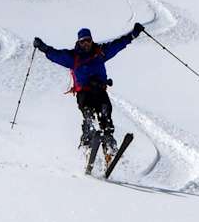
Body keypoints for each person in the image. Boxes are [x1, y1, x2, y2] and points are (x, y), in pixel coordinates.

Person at [34, 23, 145, 170]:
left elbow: (117, 45)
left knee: (105, 114)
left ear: (92, 40)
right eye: (83, 41)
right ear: (78, 42)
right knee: (88, 115)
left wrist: (133, 34)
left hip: (100, 91)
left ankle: (109, 149)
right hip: (84, 92)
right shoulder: (73, 57)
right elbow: (56, 55)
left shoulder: (101, 52)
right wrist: (43, 48)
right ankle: (88, 146)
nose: (86, 43)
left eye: (88, 40)